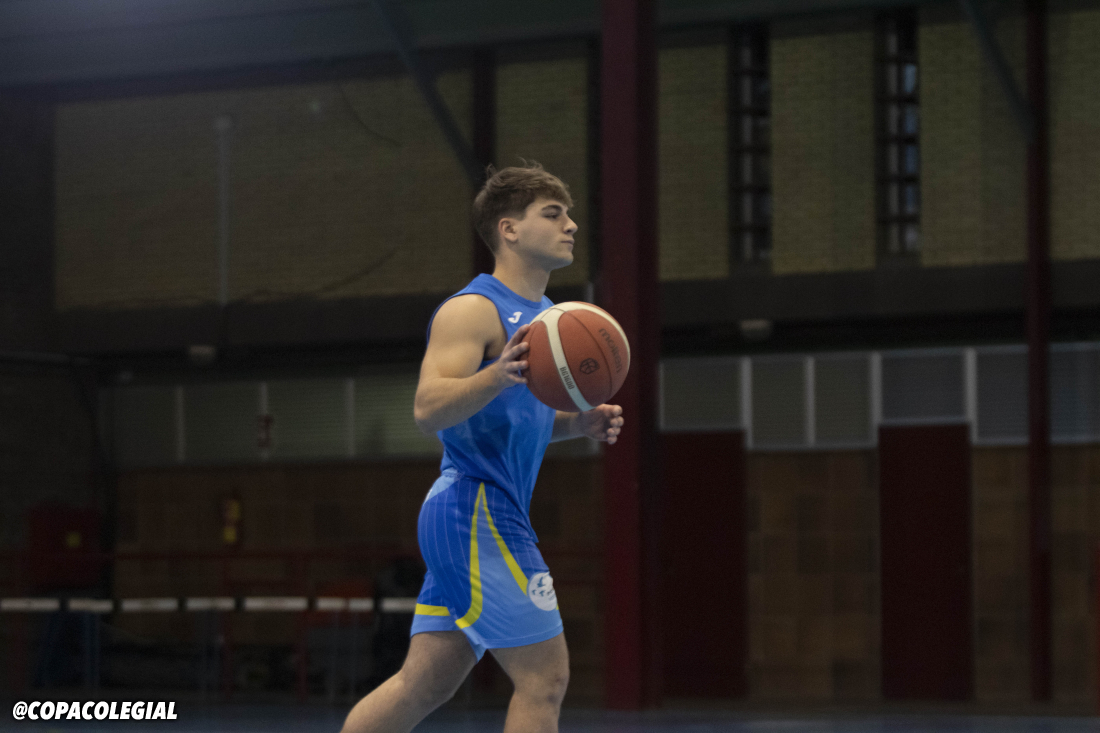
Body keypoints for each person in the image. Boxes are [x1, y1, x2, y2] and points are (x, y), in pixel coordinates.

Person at [340, 163, 624, 733]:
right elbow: (428, 408)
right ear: (509, 229)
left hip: (481, 514)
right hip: (474, 511)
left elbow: (519, 420)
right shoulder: (473, 309)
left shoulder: (550, 320)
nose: (571, 225)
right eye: (553, 214)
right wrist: (496, 375)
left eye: (568, 214)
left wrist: (579, 423)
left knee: (424, 685)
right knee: (545, 679)